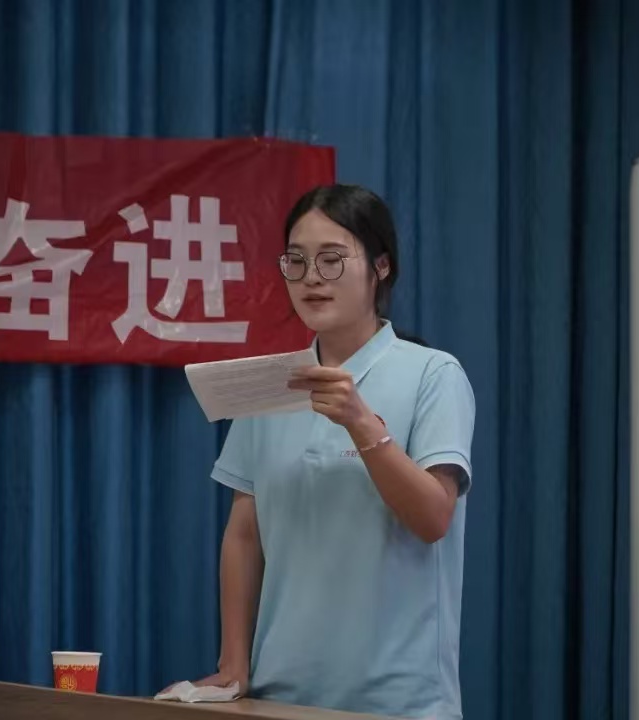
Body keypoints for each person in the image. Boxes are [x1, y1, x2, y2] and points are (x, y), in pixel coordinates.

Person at [186, 184, 476, 720]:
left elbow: (434, 518)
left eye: (332, 259)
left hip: (399, 702)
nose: (312, 277)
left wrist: (362, 424)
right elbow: (244, 534)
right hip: (279, 694)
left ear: (381, 267)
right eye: (296, 261)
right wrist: (234, 663)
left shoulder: (433, 374)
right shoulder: (273, 382)